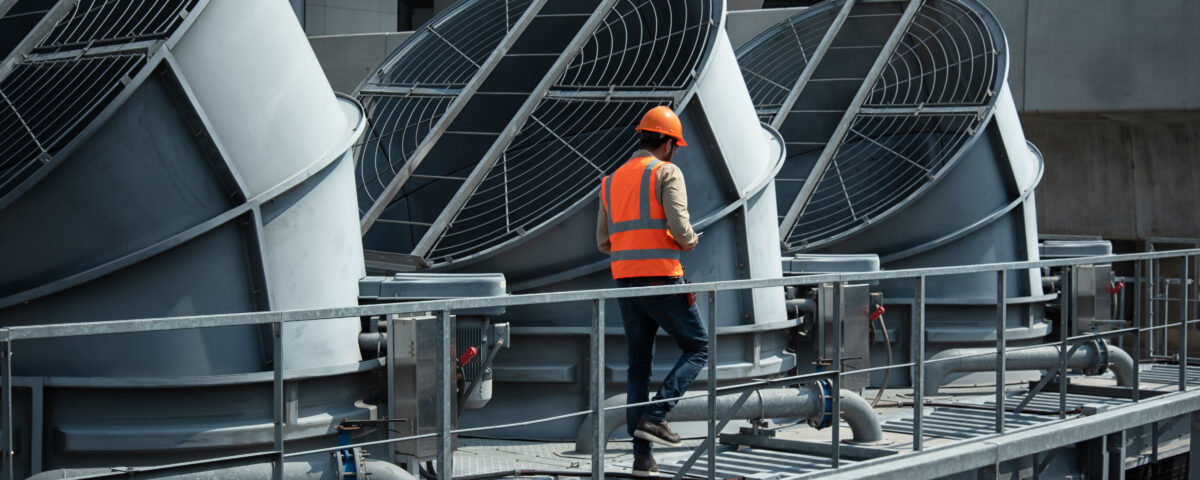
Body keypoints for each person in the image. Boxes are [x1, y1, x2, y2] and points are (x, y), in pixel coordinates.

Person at [596, 105, 708, 477]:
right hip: (662, 276)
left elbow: (603, 242)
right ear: (668, 143)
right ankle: (657, 415)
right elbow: (680, 227)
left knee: (638, 367)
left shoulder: (610, 180)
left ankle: (642, 458)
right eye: (675, 145)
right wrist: (690, 241)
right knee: (697, 346)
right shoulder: (666, 171)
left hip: (626, 282)